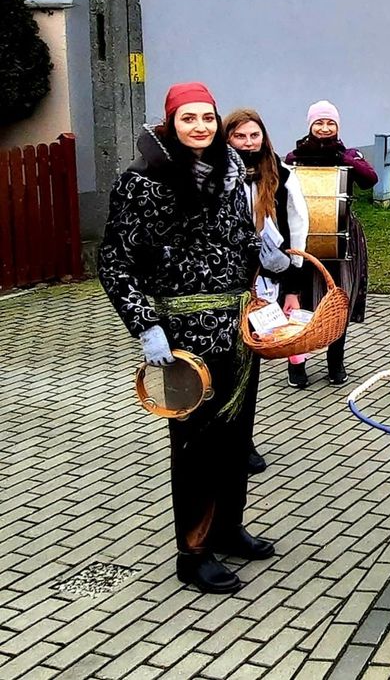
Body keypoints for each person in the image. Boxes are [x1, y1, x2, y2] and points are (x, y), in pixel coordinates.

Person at [98, 82, 287, 593]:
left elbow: (231, 233)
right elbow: (115, 260)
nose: (201, 127)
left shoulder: (228, 171)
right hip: (181, 337)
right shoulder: (144, 180)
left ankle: (227, 529)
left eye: (207, 117)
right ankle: (194, 551)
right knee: (195, 444)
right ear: (171, 123)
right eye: (189, 119)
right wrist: (145, 326)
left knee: (234, 436)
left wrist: (263, 250)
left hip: (236, 326)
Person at [224, 107, 310, 475]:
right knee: (224, 364)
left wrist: (294, 287)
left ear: (263, 137)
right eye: (239, 136)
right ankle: (222, 440)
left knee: (250, 363)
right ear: (228, 139)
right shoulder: (215, 176)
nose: (247, 143)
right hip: (223, 286)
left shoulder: (281, 174)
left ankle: (244, 442)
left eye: (253, 136)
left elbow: (296, 231)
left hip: (267, 283)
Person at [285, 100, 378, 386]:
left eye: (330, 123)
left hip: (341, 237)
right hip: (302, 237)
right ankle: (297, 364)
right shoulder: (293, 158)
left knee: (338, 298)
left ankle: (336, 363)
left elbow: (369, 180)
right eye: (319, 123)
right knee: (299, 302)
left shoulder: (348, 154)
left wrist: (350, 159)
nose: (324, 128)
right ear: (310, 125)